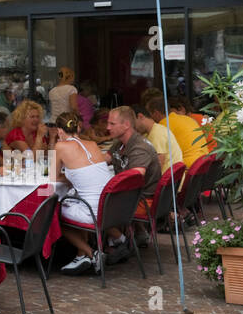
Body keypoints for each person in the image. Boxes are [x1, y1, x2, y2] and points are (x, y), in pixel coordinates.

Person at [54, 111, 115, 274]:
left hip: (92, 211)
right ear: (78, 129)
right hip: (110, 209)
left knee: (54, 214)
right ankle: (81, 255)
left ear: (59, 131)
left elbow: (53, 178)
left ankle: (91, 252)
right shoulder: (93, 145)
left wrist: (68, 176)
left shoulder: (60, 146)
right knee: (75, 202)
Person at [104, 106, 160, 262]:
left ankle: (120, 242)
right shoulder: (120, 143)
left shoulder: (139, 147)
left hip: (142, 201)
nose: (107, 127)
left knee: (95, 206)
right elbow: (103, 160)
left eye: (112, 124)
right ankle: (133, 235)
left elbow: (134, 177)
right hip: (134, 196)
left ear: (126, 125)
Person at [151, 97, 210, 169]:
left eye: (150, 115)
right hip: (206, 161)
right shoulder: (188, 118)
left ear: (156, 113)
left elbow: (161, 158)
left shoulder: (162, 125)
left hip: (189, 167)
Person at [135, 106, 176, 174]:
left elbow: (158, 167)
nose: (133, 127)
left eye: (133, 123)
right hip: (172, 176)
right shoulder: (152, 131)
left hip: (168, 180)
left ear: (140, 116)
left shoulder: (157, 133)